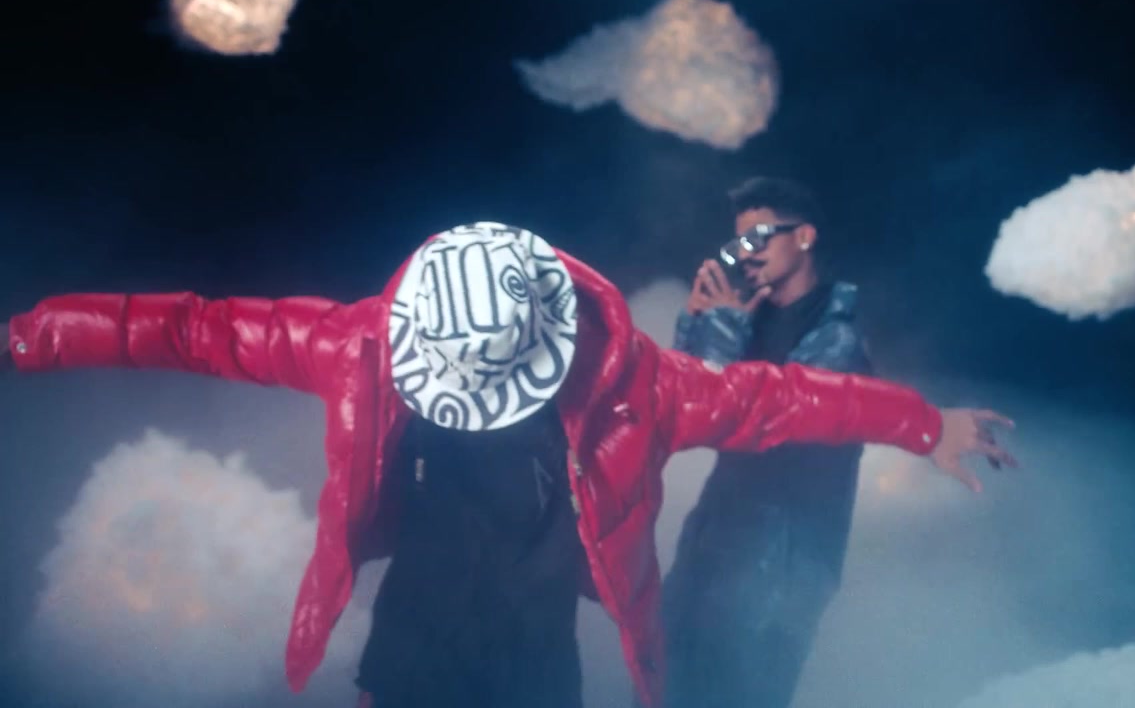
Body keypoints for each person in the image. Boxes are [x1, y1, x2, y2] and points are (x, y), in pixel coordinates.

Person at [0, 221, 1017, 708]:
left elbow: (785, 399)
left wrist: (925, 425)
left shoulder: (642, 386)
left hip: (533, 661)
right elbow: (194, 332)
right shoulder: (362, 344)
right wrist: (26, 338)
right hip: (416, 637)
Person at [662, 177, 907, 708]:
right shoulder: (747, 316)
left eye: (759, 238)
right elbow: (683, 412)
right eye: (737, 244)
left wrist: (721, 328)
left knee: (737, 694)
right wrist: (695, 326)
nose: (745, 255)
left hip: (781, 562)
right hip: (713, 542)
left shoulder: (838, 338)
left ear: (804, 237)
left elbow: (762, 421)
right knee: (665, 682)